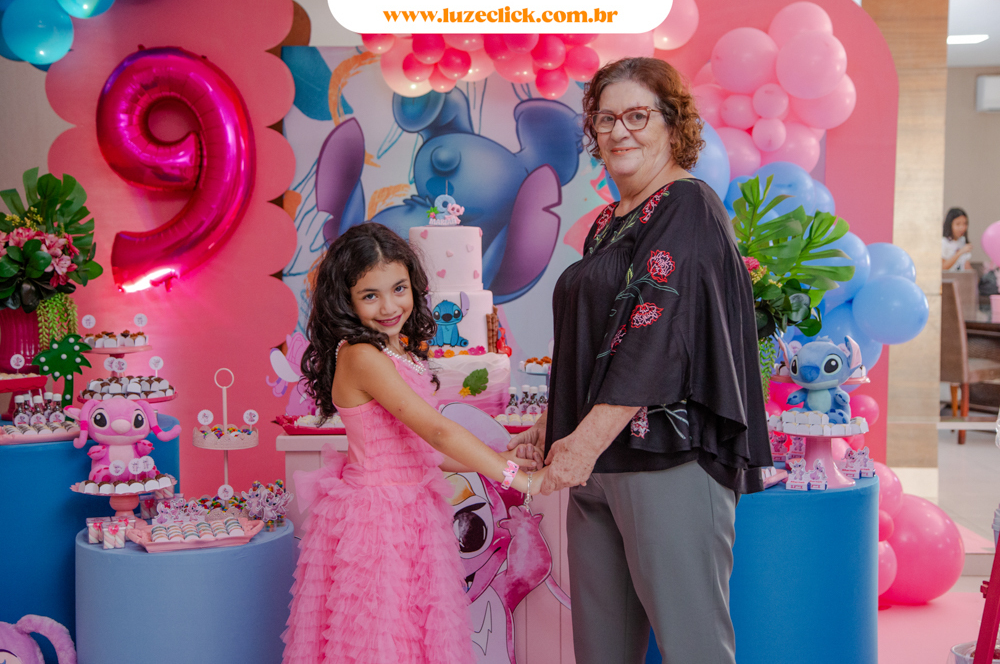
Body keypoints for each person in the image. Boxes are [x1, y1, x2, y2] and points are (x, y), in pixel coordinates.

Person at [509, 57, 770, 663]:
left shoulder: (688, 204)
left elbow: (659, 331)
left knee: (693, 650)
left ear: (673, 125)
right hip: (597, 463)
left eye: (636, 116)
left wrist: (582, 440)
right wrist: (555, 421)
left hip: (666, 459)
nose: (619, 132)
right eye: (605, 119)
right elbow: (603, 335)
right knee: (600, 652)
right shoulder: (606, 223)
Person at [282, 222, 545, 664]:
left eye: (398, 289)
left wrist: (500, 455)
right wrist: (518, 478)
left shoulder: (397, 352)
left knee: (414, 638)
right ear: (345, 299)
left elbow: (423, 453)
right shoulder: (361, 355)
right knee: (380, 639)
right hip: (379, 518)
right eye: (370, 295)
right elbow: (437, 431)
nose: (389, 306)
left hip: (414, 512)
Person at [942, 207, 973, 271]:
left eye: (965, 224)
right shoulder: (943, 242)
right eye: (958, 224)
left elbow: (966, 265)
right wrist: (960, 252)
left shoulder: (962, 240)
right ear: (950, 224)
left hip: (960, 276)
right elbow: (943, 267)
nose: (962, 228)